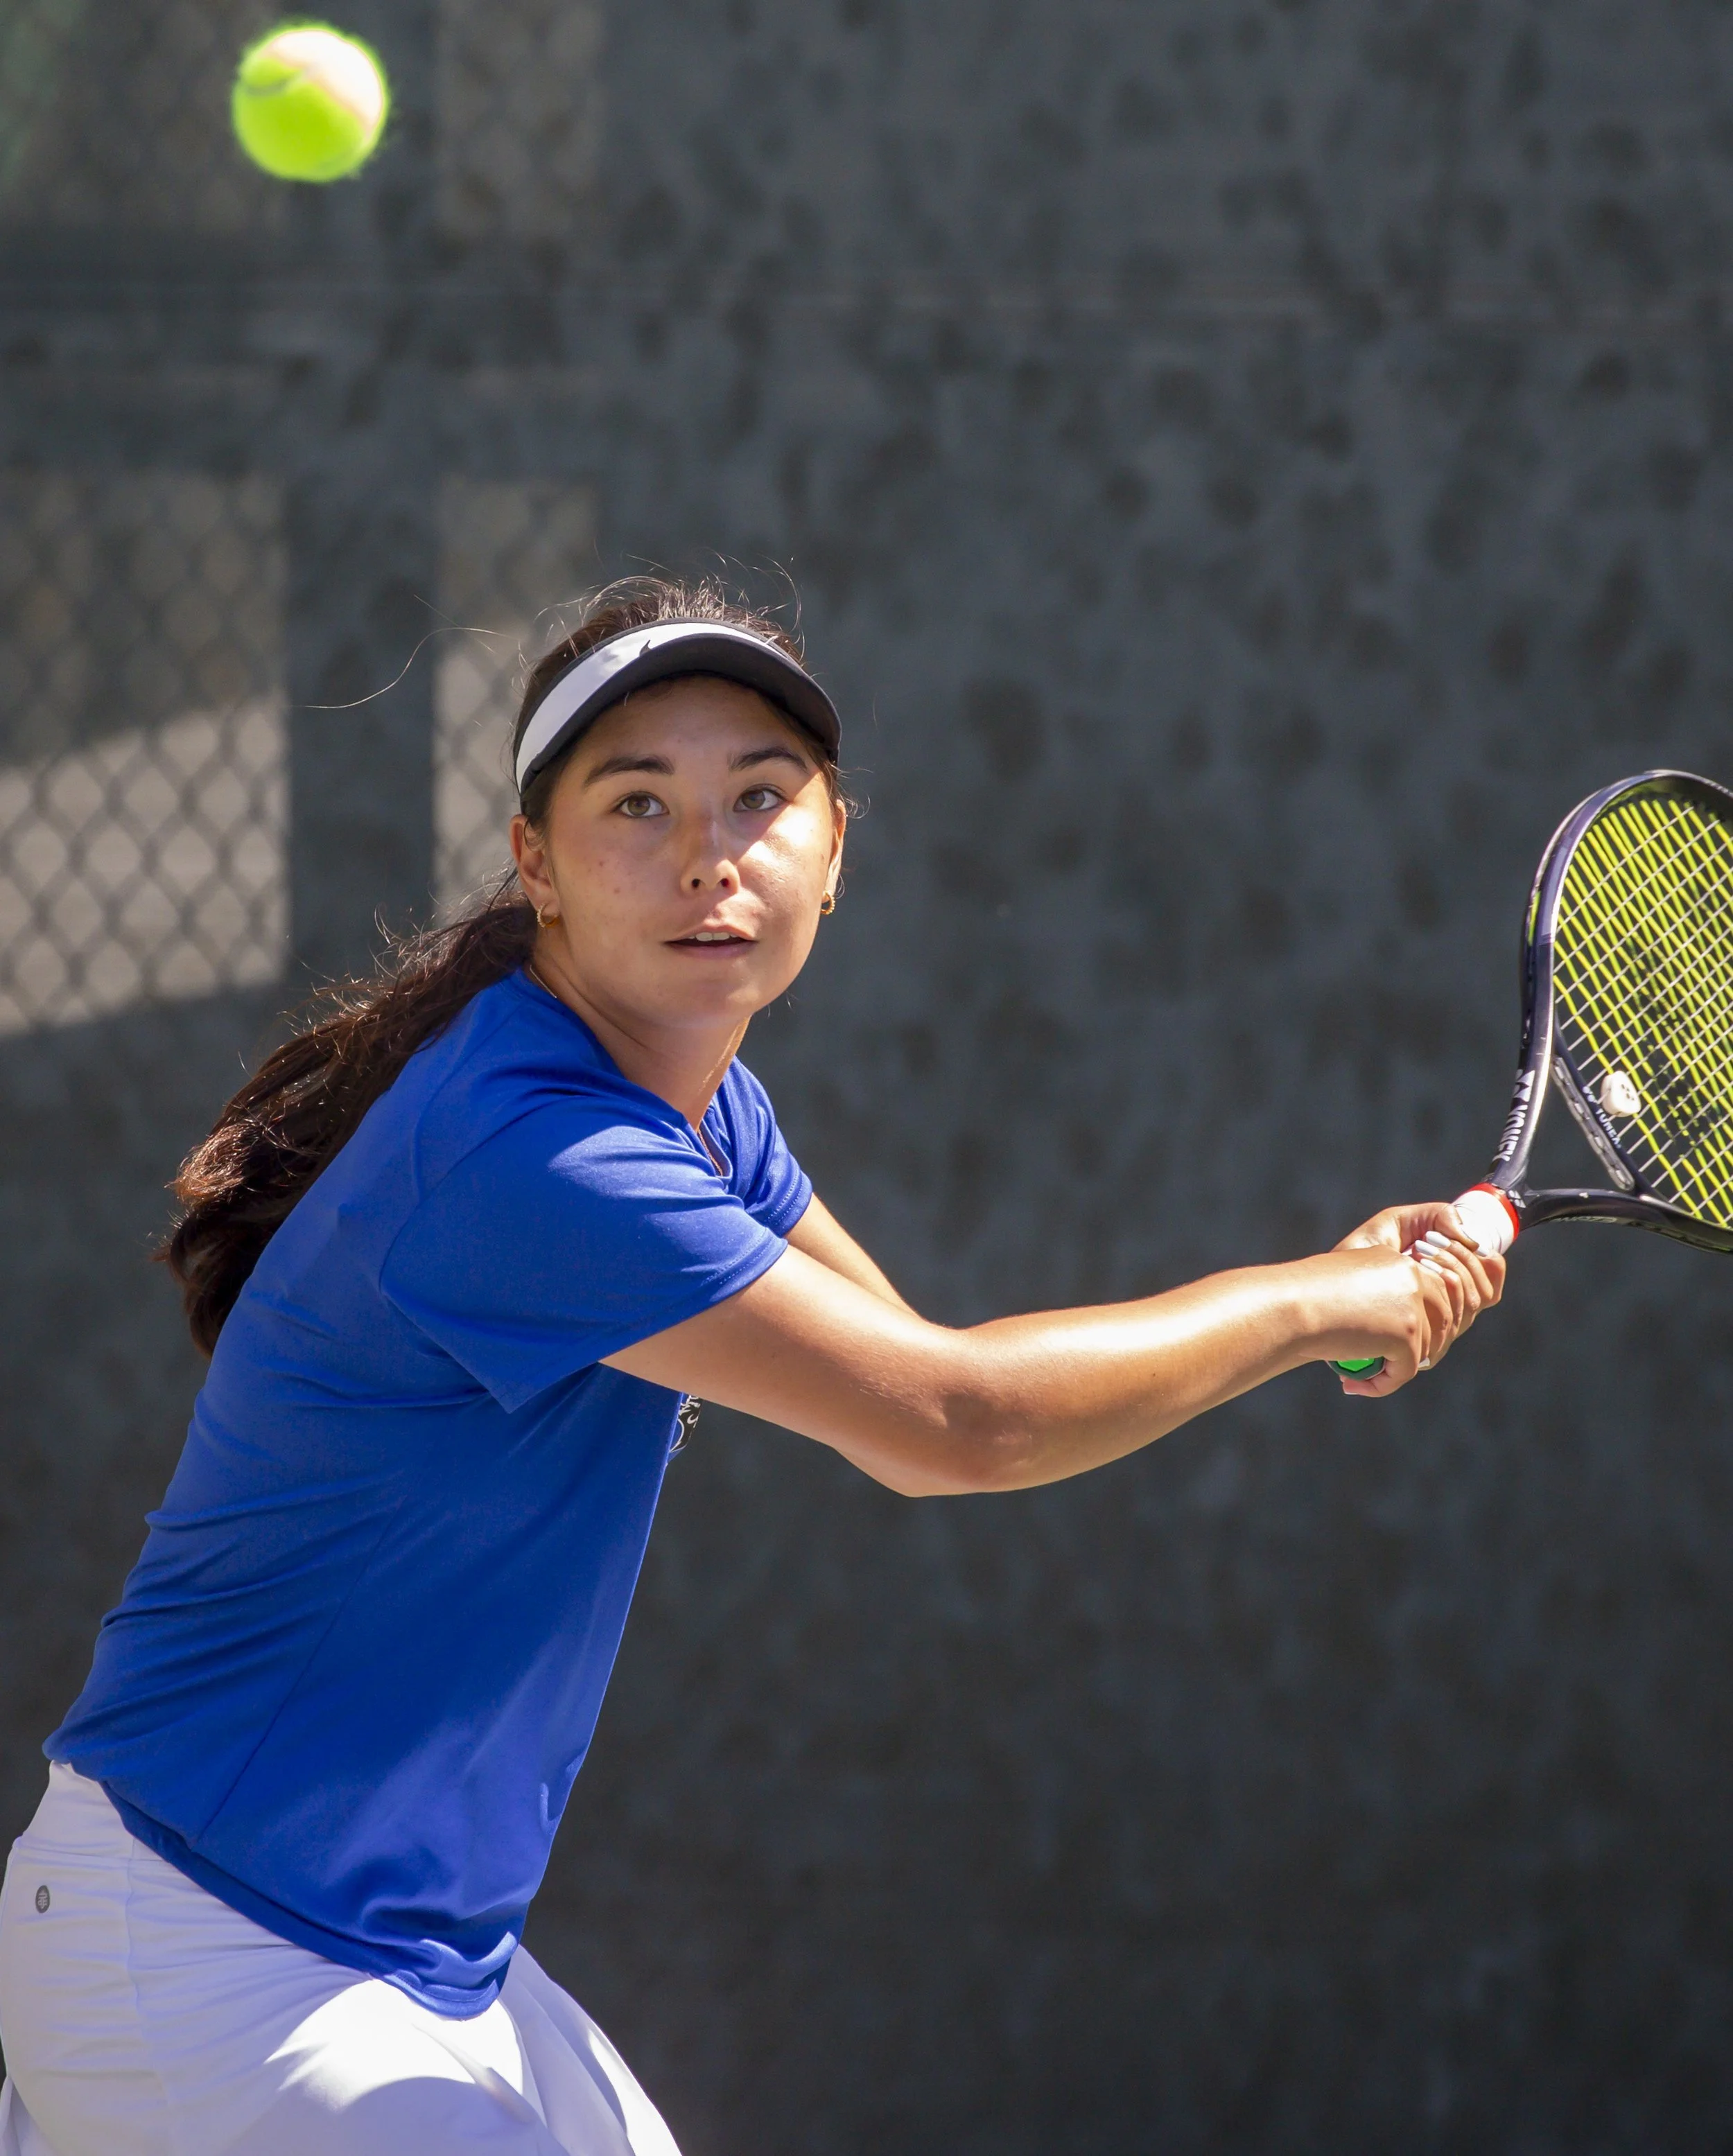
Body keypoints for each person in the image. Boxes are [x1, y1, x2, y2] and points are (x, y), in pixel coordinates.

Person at [0, 578, 1503, 2155]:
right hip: (200, 1947)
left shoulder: (700, 1110)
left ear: (836, 846)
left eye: (758, 798)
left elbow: (919, 1367)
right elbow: (957, 1424)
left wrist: (1330, 1284)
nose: (707, 854)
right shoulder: (535, 1149)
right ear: (537, 865)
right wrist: (1304, 1305)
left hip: (393, 1961)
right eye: (636, 802)